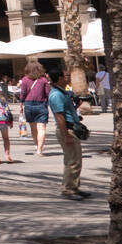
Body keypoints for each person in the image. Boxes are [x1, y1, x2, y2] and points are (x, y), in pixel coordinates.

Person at [48, 68, 90, 199]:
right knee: (72, 160)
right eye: (65, 76)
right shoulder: (56, 95)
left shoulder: (63, 93)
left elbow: (66, 111)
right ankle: (68, 189)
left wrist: (76, 106)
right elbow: (59, 116)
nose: (67, 78)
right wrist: (65, 135)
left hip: (71, 128)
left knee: (76, 160)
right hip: (67, 129)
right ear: (60, 78)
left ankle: (74, 186)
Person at [19, 61, 52, 156]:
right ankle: (39, 150)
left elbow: (23, 93)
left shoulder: (25, 79)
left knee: (34, 129)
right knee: (41, 128)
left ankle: (37, 145)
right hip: (41, 105)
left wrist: (21, 103)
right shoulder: (43, 80)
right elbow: (48, 93)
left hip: (28, 105)